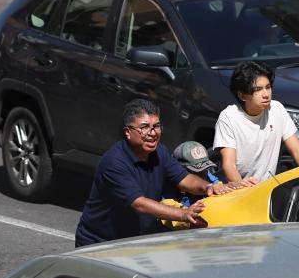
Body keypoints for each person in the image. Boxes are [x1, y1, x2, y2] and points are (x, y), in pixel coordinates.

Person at [75, 99, 230, 247]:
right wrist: (183, 214)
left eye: (156, 126)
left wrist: (208, 186)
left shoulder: (159, 152)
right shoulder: (114, 162)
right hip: (99, 243)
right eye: (144, 127)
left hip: (134, 242)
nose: (152, 133)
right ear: (128, 132)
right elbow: (139, 204)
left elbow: (184, 179)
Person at [212, 61, 299, 185]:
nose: (266, 94)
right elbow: (229, 165)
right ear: (242, 95)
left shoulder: (277, 109)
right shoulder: (228, 117)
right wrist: (243, 189)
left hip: (269, 187)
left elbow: (298, 152)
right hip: (238, 189)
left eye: (268, 87)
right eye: (258, 89)